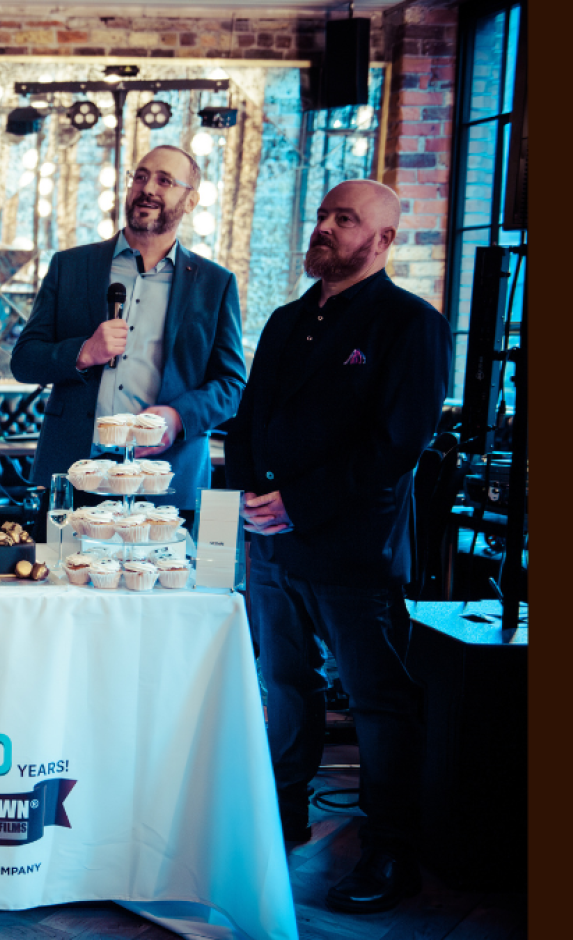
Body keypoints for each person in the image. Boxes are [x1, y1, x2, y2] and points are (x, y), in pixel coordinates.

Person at [226, 179, 450, 914]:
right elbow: (248, 418)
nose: (324, 227)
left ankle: (391, 853)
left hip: (353, 551)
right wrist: (255, 499)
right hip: (271, 547)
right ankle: (279, 821)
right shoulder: (288, 320)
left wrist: (300, 504)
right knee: (284, 689)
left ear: (383, 241)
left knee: (378, 704)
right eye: (323, 215)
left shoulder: (409, 323)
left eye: (343, 219)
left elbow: (397, 445)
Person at [9, 145, 247, 514]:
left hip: (165, 477)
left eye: (165, 180)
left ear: (190, 200)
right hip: (76, 472)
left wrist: (178, 417)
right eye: (140, 176)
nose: (147, 187)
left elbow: (231, 386)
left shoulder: (215, 283)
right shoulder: (70, 266)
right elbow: (24, 361)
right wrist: (83, 352)